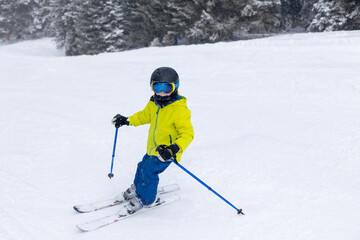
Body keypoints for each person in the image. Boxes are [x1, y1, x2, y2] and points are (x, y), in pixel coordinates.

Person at [112, 67, 194, 214]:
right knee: (142, 166)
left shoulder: (179, 110)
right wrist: (127, 120)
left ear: (175, 87)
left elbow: (187, 134)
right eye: (157, 87)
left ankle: (147, 199)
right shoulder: (154, 103)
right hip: (153, 148)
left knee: (148, 171)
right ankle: (138, 188)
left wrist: (174, 148)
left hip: (167, 153)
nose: (161, 92)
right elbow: (144, 116)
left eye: (166, 87)